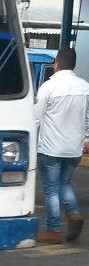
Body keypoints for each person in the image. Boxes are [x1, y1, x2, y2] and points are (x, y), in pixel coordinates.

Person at [34, 47, 87, 244]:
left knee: (51, 190)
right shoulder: (85, 87)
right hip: (73, 149)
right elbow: (88, 119)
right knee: (63, 184)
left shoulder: (49, 87)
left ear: (56, 64)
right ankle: (73, 215)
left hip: (51, 149)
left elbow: (36, 118)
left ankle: (53, 230)